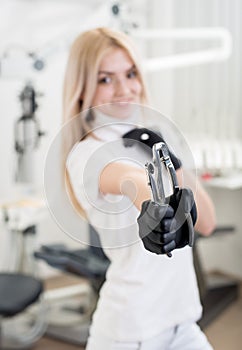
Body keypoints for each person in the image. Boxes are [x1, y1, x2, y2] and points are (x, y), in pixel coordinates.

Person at [63, 27, 216, 350]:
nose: (124, 89)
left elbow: (207, 222)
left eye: (130, 74)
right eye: (105, 79)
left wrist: (172, 160)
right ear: (83, 89)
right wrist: (153, 207)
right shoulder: (86, 154)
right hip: (130, 333)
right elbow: (126, 178)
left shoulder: (148, 140)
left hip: (183, 325)